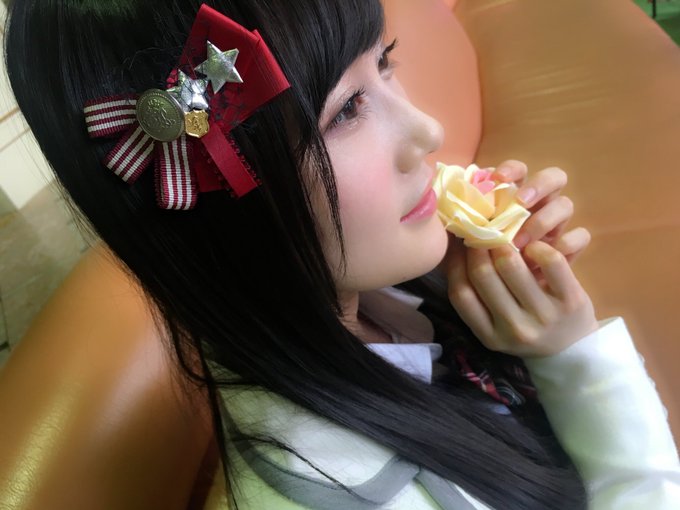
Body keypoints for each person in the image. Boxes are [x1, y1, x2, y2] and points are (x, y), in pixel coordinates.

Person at [4, 0, 679, 508]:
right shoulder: (342, 491)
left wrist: (487, 282)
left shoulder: (361, 294)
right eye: (348, 108)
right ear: (221, 196)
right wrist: (576, 358)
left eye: (386, 63)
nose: (429, 130)